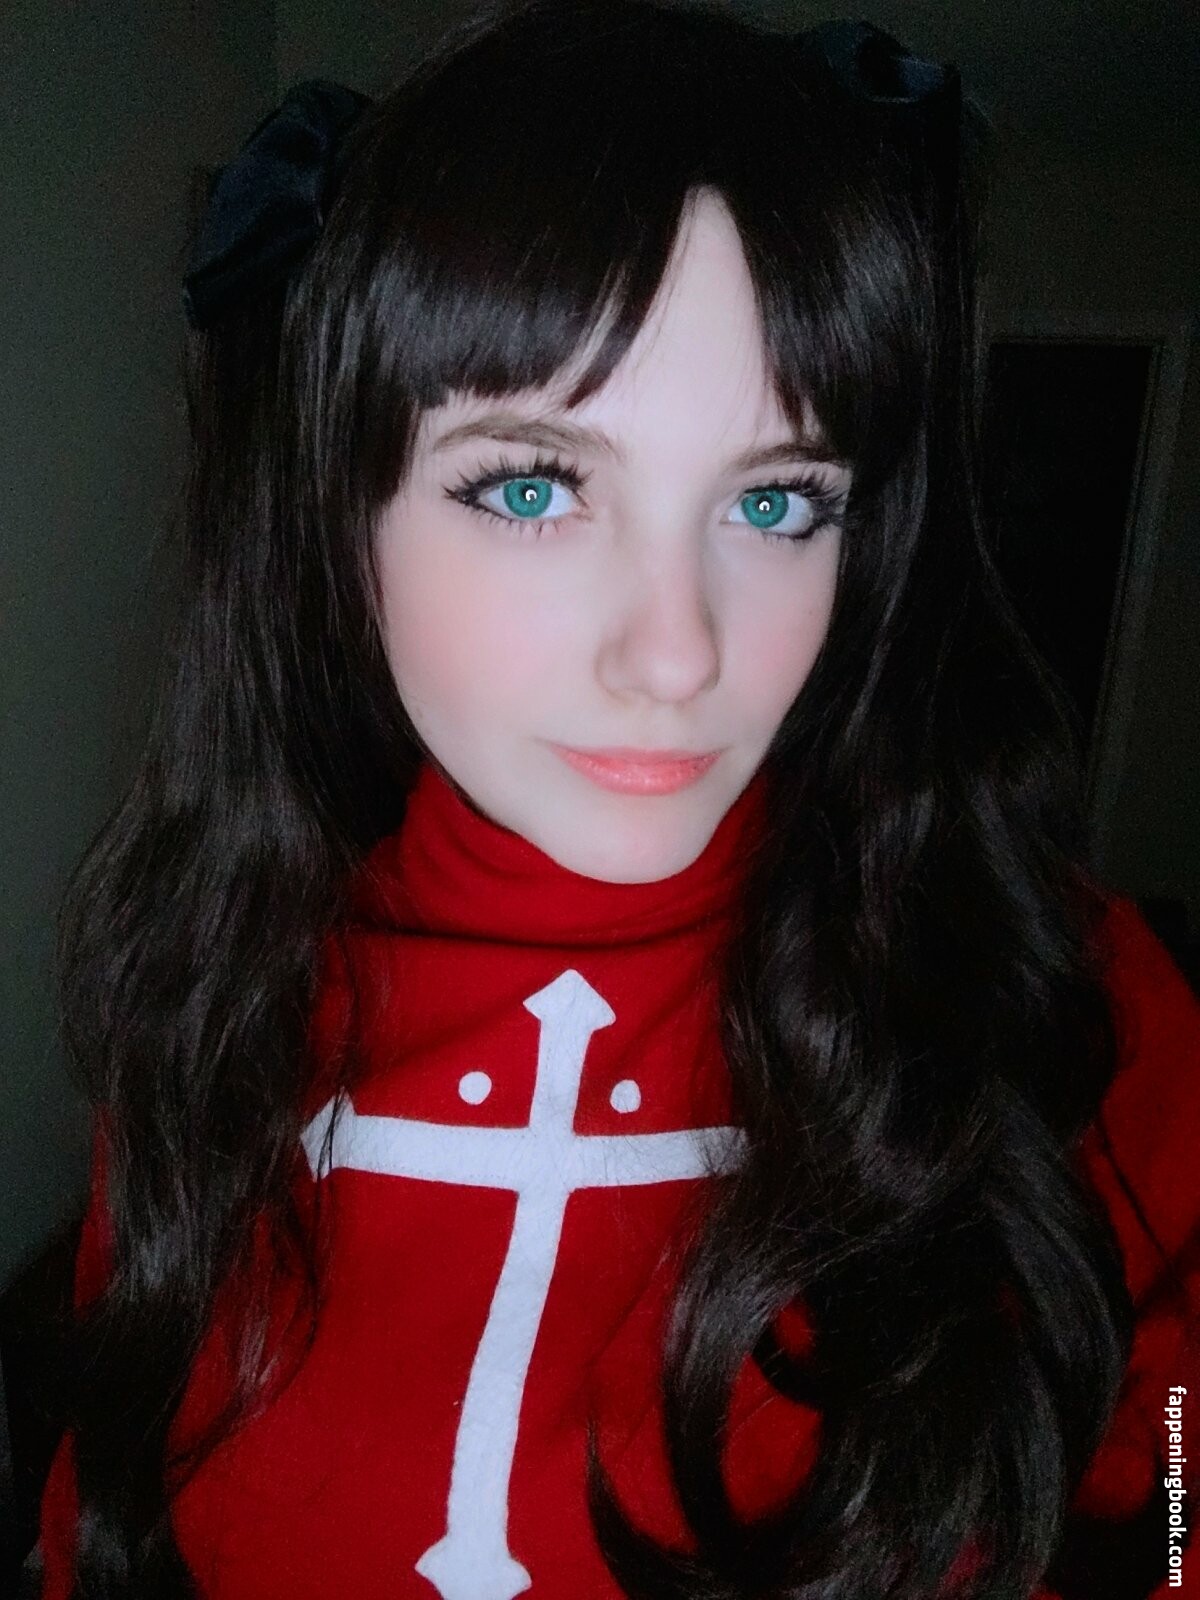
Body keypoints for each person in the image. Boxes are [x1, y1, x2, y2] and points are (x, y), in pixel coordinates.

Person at [33, 0, 1199, 1596]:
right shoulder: (213, 1004)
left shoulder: (1067, 1005)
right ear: (341, 520)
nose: (678, 653)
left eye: (776, 503)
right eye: (532, 486)